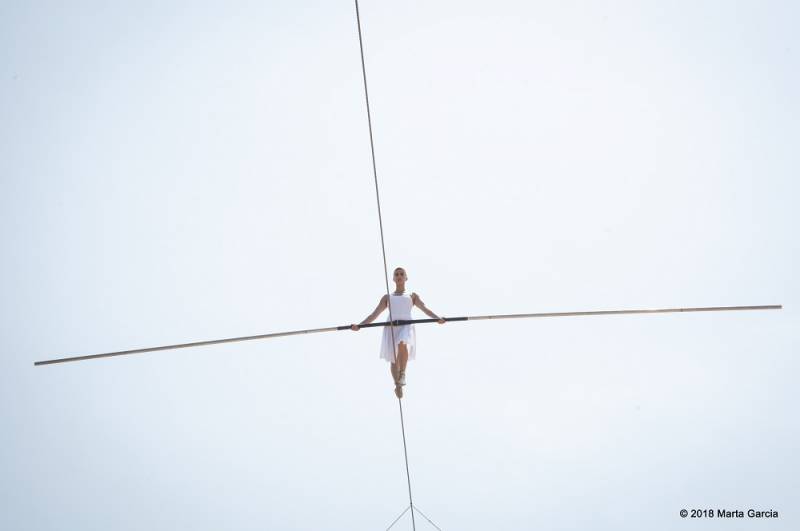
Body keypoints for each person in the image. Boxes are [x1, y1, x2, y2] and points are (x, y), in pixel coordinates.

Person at [351, 267, 445, 398]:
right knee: (394, 359)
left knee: (403, 343)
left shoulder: (412, 296)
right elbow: (374, 314)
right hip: (391, 327)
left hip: (406, 325)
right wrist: (360, 325)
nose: (399, 276)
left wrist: (437, 318)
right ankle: (398, 385)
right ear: (393, 278)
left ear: (406, 278)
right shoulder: (387, 297)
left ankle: (402, 373)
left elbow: (425, 309)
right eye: (396, 274)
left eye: (402, 274)